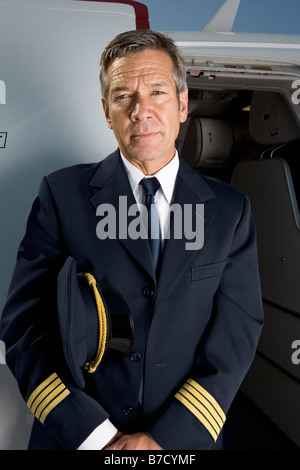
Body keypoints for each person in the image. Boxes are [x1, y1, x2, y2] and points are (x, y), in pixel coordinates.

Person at [0, 30, 264, 450]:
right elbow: (24, 327)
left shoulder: (228, 212)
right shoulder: (61, 196)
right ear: (107, 112)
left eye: (157, 92)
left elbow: (237, 334)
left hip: (180, 442)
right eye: (123, 96)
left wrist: (165, 440)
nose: (141, 111)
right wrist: (97, 437)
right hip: (78, 438)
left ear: (181, 104)